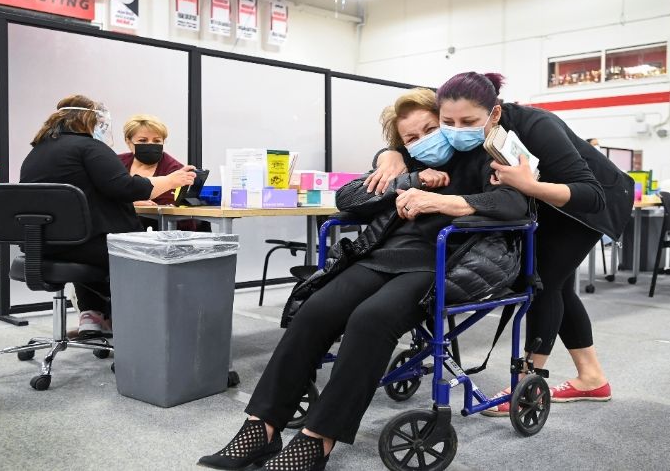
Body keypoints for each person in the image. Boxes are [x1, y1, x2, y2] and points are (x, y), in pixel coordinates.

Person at [199, 88, 528, 471]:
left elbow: (516, 203)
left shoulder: (488, 156)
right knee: (316, 310)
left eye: (432, 127)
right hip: (381, 256)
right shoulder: (406, 161)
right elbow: (347, 199)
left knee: (371, 320)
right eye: (411, 137)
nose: (426, 139)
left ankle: (317, 440)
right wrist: (406, 178)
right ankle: (262, 428)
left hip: (443, 262)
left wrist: (442, 201)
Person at [376, 72, 632, 411]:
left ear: (494, 113)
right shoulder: (459, 127)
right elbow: (416, 138)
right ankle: (592, 379)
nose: (454, 130)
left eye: (467, 121)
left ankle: (527, 385)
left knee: (543, 281)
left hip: (587, 204)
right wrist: (390, 153)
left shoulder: (537, 125)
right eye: (446, 122)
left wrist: (532, 187)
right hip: (541, 202)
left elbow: (591, 195)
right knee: (560, 288)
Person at [19, 95, 196, 337]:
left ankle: (92, 317)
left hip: (41, 245)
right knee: (136, 248)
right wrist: (169, 181)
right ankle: (139, 326)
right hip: (83, 245)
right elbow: (124, 188)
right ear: (90, 120)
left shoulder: (38, 151)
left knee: (99, 242)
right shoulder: (90, 148)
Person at [118, 114, 209, 231]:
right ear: (128, 142)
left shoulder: (176, 172)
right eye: (143, 140)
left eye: (157, 140)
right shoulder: (115, 164)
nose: (150, 144)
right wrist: (131, 204)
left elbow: (183, 221)